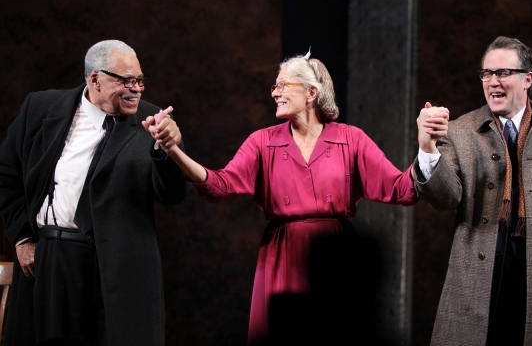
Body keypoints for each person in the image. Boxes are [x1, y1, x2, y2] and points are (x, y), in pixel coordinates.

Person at [143, 50, 449, 345]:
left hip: (335, 260)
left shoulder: (349, 139)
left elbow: (401, 189)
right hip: (282, 258)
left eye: (282, 84)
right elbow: (219, 186)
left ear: (311, 93)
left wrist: (427, 146)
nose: (274, 92)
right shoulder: (262, 142)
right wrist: (173, 150)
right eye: (273, 86)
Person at [0, 40, 190, 346]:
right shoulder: (42, 108)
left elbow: (173, 194)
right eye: (126, 80)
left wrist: (166, 151)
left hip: (117, 267)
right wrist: (22, 238)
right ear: (94, 79)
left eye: (140, 80)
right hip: (49, 262)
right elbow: (5, 173)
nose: (137, 89)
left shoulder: (154, 123)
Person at [414, 36, 532, 345]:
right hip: (479, 270)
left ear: (528, 79)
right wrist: (427, 146)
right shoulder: (460, 131)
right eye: (486, 73)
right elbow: (445, 199)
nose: (492, 81)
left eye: (502, 73)